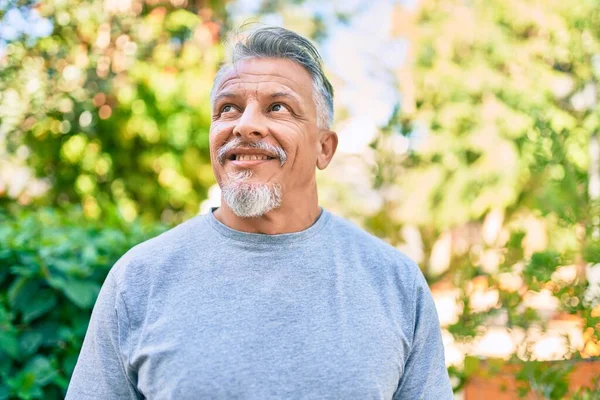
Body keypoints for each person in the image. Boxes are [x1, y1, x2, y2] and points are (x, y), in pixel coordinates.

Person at [66, 26, 453, 399]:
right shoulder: (139, 279)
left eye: (278, 107)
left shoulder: (394, 283)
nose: (246, 125)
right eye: (228, 108)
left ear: (325, 148)